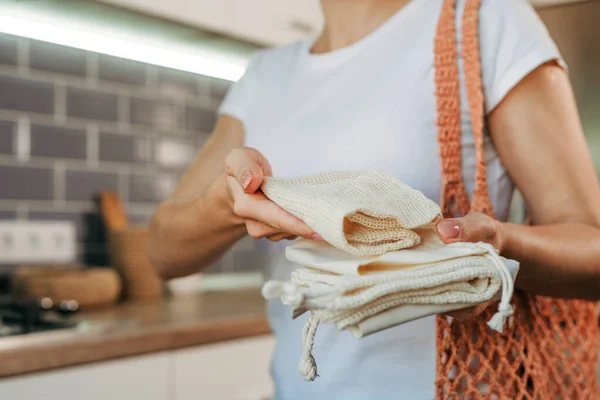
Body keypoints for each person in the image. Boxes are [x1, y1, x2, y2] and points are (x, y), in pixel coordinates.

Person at [148, 0, 600, 398]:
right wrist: (229, 204)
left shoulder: (484, 20)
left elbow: (591, 246)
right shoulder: (266, 74)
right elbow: (162, 252)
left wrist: (492, 250)